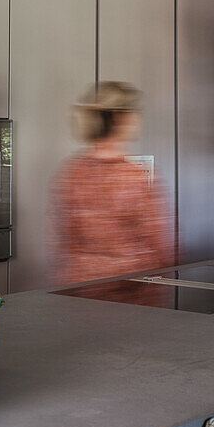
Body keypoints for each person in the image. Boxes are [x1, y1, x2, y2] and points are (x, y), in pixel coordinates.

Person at [50, 82, 174, 285]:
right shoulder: (133, 176)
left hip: (80, 292)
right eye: (136, 112)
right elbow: (161, 247)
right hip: (130, 293)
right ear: (121, 118)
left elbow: (65, 244)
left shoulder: (71, 172)